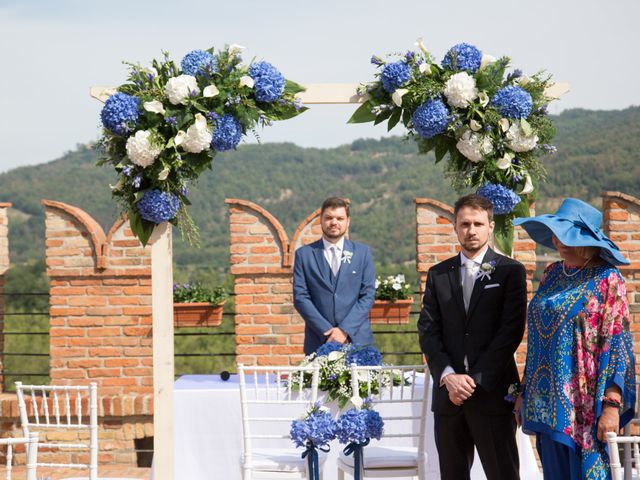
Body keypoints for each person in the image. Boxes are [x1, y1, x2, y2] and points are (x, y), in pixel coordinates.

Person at [512, 198, 636, 479]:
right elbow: (538, 342)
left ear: (591, 241)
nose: (560, 242)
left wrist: (611, 407)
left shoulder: (608, 279)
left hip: (586, 404)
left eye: (570, 236)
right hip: (547, 401)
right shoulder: (551, 273)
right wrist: (522, 392)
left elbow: (618, 346)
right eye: (557, 234)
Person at [418, 193, 527, 480]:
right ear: (455, 226)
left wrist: (475, 380)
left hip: (491, 393)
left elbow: (511, 331)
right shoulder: (438, 274)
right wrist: (448, 376)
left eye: (478, 223)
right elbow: (428, 330)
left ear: (491, 226)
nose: (471, 230)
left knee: (503, 474)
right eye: (465, 224)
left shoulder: (510, 271)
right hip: (449, 397)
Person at [293, 197, 376, 355]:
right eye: (329, 218)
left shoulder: (363, 253)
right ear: (321, 220)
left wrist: (344, 330)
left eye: (339, 218)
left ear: (348, 222)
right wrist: (327, 331)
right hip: (319, 340)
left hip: (357, 339)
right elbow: (300, 297)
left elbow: (368, 295)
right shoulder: (304, 255)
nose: (334, 222)